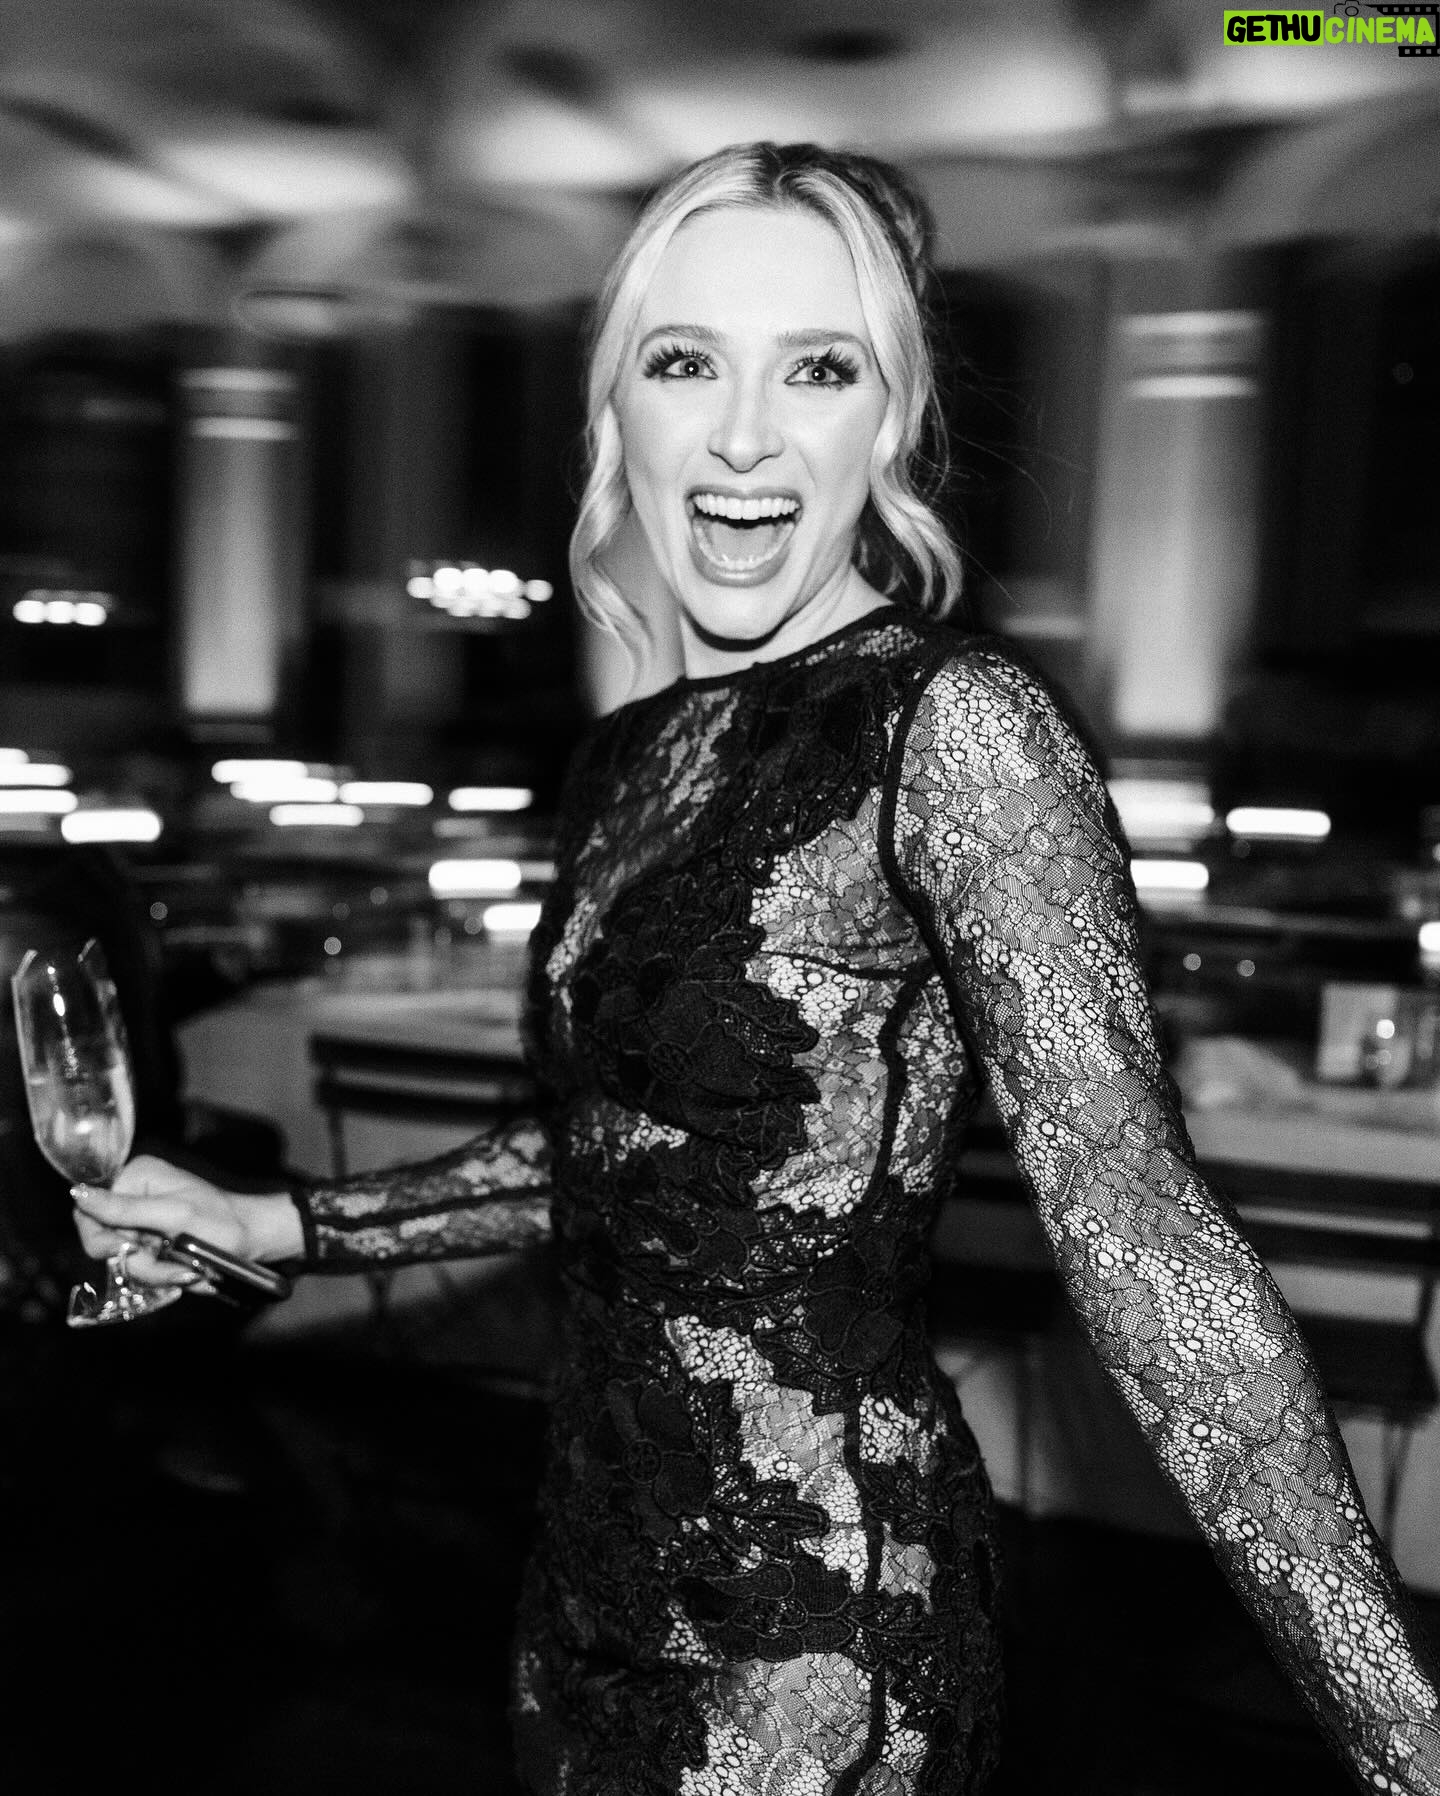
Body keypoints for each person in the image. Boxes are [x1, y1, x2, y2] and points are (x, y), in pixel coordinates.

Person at [73, 142, 1440, 1795]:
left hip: (814, 1639)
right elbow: (612, 1159)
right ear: (617, 410)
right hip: (586, 1592)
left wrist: (1406, 1735)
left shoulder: (956, 732)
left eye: (818, 368)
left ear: (893, 419)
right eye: (683, 362)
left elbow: (1150, 1251)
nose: (740, 435)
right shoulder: (629, 759)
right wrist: (273, 1225)